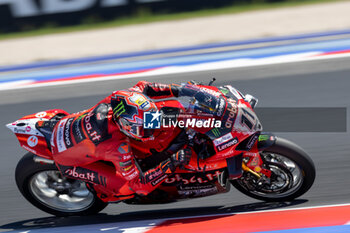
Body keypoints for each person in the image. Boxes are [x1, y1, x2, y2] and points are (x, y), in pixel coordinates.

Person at [51, 81, 192, 202]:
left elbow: (145, 86)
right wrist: (170, 163)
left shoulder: (121, 99)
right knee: (127, 190)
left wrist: (180, 89)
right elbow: (139, 186)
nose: (149, 132)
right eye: (141, 129)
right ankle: (103, 191)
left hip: (68, 126)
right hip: (67, 159)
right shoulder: (118, 148)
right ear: (124, 123)